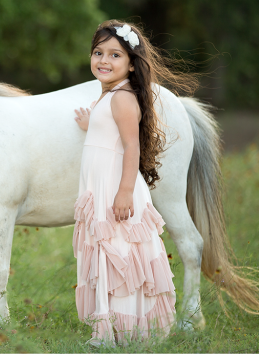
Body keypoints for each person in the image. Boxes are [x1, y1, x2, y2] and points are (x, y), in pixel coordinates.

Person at [72, 20, 179, 346]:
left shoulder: (121, 97)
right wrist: (93, 124)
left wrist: (123, 192)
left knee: (119, 255)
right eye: (98, 52)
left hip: (117, 189)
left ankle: (121, 330)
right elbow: (111, 133)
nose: (103, 60)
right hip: (101, 186)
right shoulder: (110, 95)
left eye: (114, 55)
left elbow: (131, 146)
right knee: (108, 253)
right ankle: (111, 328)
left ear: (132, 63)